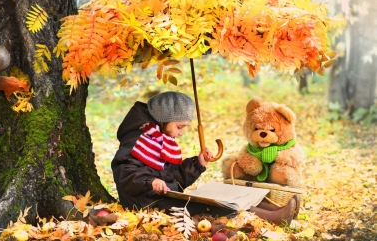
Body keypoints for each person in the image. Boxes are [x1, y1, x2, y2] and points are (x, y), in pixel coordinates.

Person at [111, 91, 299, 225]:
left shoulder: (157, 138)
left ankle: (274, 210)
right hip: (146, 202)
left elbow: (172, 176)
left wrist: (197, 164)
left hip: (161, 195)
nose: (182, 133)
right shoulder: (138, 140)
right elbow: (125, 172)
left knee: (220, 196)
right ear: (163, 120)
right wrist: (150, 181)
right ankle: (274, 217)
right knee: (210, 207)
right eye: (179, 127)